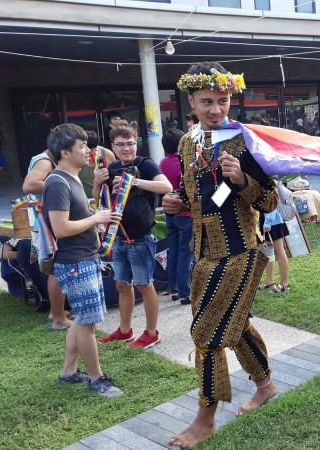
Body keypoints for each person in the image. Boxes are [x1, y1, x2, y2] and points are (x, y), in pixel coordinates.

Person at [163, 62, 279, 448]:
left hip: (240, 249)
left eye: (223, 100)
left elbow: (271, 199)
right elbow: (196, 196)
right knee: (235, 324)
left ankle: (205, 418)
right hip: (204, 251)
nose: (217, 109)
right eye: (207, 101)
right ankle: (265, 386)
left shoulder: (245, 141)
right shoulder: (186, 143)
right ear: (191, 102)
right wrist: (175, 203)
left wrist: (243, 181)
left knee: (206, 334)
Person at [43, 123, 123, 396]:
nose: (89, 151)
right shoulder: (57, 182)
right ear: (65, 152)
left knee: (81, 320)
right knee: (88, 323)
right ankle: (96, 378)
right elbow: (61, 228)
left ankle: (68, 372)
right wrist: (96, 218)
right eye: (82, 146)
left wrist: (96, 208)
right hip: (75, 262)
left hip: (85, 258)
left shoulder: (73, 177)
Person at [94, 125, 172, 349]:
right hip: (118, 237)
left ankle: (151, 333)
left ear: (136, 143)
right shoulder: (113, 167)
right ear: (113, 147)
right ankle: (125, 330)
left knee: (145, 285)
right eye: (121, 144)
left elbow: (166, 186)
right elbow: (100, 198)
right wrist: (98, 183)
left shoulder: (144, 164)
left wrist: (134, 182)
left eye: (130, 143)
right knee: (121, 284)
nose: (126, 148)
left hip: (140, 238)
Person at [23, 147, 72, 331]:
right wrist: (63, 183)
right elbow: (29, 185)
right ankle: (58, 318)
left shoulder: (44, 159)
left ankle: (56, 312)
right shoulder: (44, 161)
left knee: (55, 270)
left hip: (45, 221)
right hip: (47, 223)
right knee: (56, 270)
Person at [160, 128, 194, 305]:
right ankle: (185, 292)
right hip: (184, 211)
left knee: (172, 250)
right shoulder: (183, 162)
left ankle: (173, 289)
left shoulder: (163, 162)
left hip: (169, 211)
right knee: (185, 252)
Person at [258, 183, 291, 294]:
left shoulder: (268, 182)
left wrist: (268, 222)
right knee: (268, 252)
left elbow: (272, 203)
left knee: (279, 252)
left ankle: (284, 284)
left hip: (273, 223)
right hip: (265, 223)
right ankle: (270, 282)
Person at [80, 131, 116, 197]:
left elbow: (114, 175)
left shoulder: (107, 154)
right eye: (85, 148)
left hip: (105, 196)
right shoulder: (78, 155)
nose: (89, 151)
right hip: (85, 197)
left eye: (93, 149)